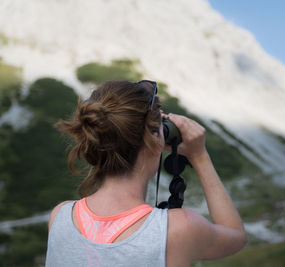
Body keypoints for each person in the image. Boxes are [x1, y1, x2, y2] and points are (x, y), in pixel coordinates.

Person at [45, 80, 247, 267]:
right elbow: (236, 235)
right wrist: (200, 156)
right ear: (154, 140)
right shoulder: (179, 229)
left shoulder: (60, 217)